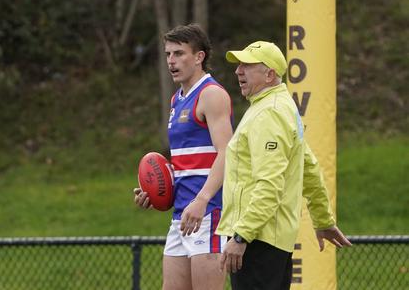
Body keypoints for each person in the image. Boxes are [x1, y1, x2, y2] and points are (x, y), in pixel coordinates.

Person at [216, 41, 351, 290]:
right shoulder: (281, 107)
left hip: (257, 240)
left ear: (270, 75)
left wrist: (241, 235)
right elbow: (308, 167)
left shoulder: (270, 112)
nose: (238, 71)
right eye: (239, 65)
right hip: (269, 240)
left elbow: (270, 184)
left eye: (247, 65)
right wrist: (322, 219)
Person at [134, 24, 233, 290]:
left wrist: (202, 200)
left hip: (209, 212)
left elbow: (228, 153)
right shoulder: (177, 100)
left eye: (179, 53)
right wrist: (155, 192)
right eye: (168, 54)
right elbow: (185, 163)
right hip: (181, 215)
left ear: (199, 57)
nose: (171, 61)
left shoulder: (211, 94)